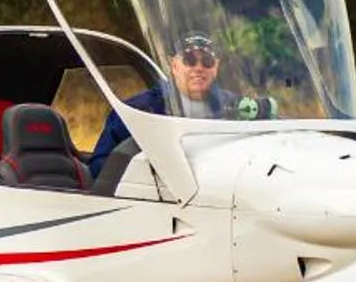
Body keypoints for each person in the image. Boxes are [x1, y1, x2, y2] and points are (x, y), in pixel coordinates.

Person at [87, 33, 256, 184]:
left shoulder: (234, 105)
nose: (198, 68)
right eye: (189, 60)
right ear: (174, 66)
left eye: (207, 61)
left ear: (216, 68)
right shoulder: (137, 110)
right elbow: (99, 168)